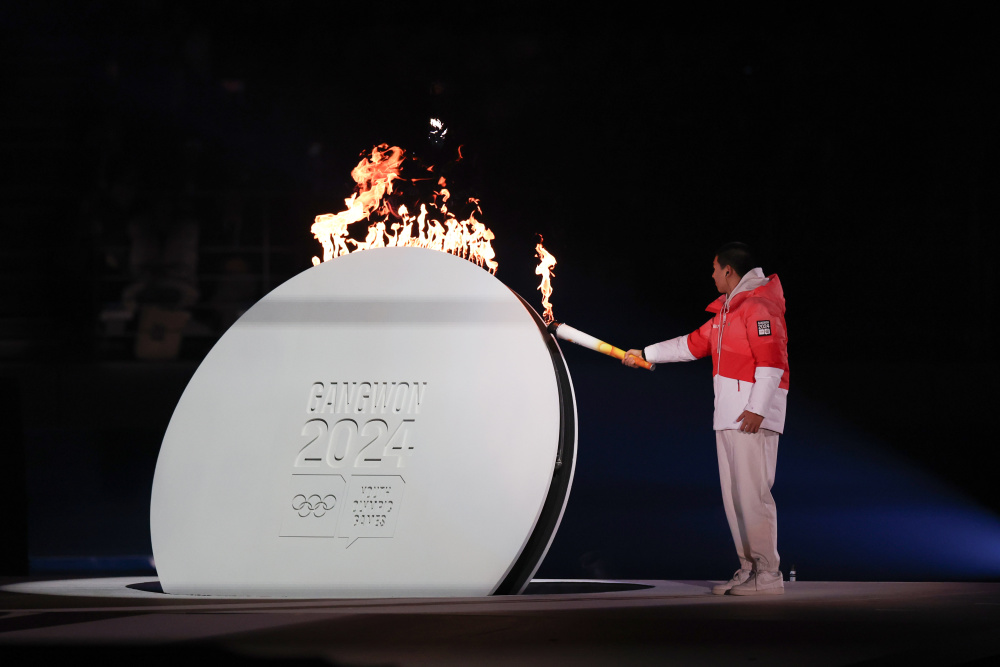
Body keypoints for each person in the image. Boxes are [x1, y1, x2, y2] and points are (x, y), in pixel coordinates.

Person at [623, 242, 789, 596]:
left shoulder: (759, 306)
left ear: (729, 270)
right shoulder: (727, 313)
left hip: (751, 417)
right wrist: (645, 354)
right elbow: (690, 344)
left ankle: (769, 576)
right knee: (735, 500)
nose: (711, 275)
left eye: (714, 268)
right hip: (730, 416)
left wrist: (758, 408)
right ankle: (749, 570)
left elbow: (772, 362)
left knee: (752, 497)